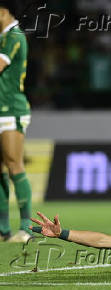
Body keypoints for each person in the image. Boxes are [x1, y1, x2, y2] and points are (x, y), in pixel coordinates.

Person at [0, 2, 33, 243]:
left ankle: (25, 228)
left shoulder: (15, 36)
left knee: (14, 165)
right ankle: (3, 230)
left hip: (12, 110)